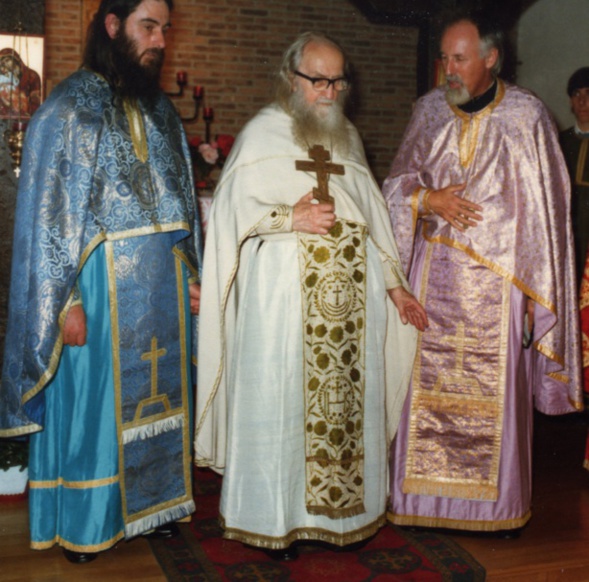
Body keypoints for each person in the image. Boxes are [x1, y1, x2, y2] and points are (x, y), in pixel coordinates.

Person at [194, 31, 427, 561]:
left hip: (352, 313)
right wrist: (289, 218)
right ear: (290, 78)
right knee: (280, 406)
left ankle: (345, 516)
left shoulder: (345, 137)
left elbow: (371, 215)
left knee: (343, 407)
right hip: (282, 310)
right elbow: (232, 216)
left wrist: (395, 286)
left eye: (337, 81)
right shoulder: (261, 135)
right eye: (318, 80)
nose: (329, 92)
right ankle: (274, 519)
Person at [0, 0, 202, 564]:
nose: (159, 39)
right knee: (95, 409)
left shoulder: (160, 110)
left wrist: (192, 273)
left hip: (160, 293)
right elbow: (44, 222)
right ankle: (87, 522)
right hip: (97, 292)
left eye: (164, 28)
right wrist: (62, 303)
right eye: (148, 27)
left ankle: (156, 507)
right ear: (113, 27)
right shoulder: (68, 110)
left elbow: (181, 205)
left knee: (160, 398)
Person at [382, 10, 582, 536]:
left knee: (493, 399)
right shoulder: (428, 111)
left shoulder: (527, 116)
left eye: (459, 58)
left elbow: (547, 213)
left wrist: (536, 297)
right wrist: (428, 199)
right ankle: (421, 504)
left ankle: (495, 510)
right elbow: (394, 186)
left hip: (499, 291)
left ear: (490, 59)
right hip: (432, 284)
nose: (447, 68)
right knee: (422, 391)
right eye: (444, 57)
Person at [560, 67, 589, 284]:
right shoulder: (558, 141)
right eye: (576, 94)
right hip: (567, 235)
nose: (582, 101)